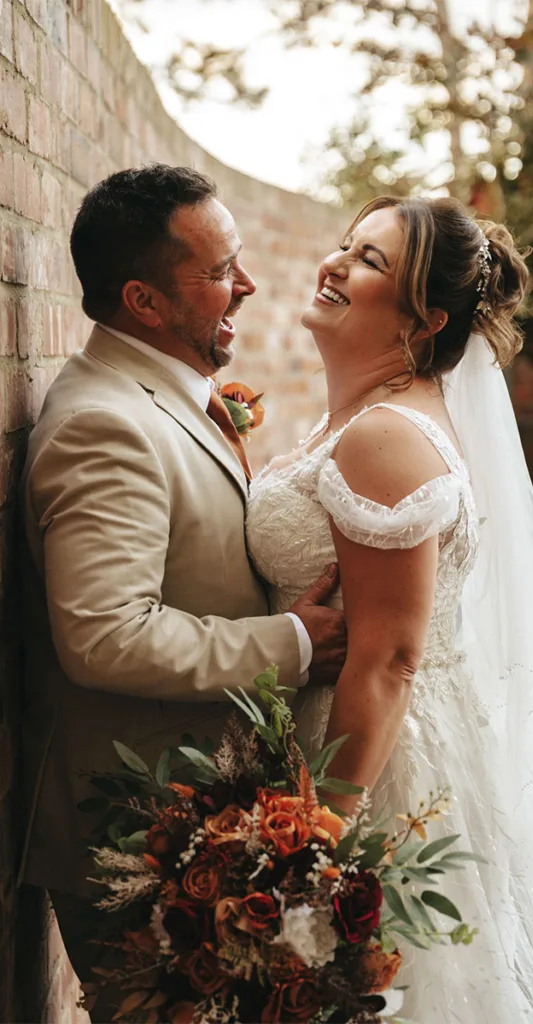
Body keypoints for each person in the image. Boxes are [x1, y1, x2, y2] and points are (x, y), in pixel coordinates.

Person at [18, 164, 346, 1020]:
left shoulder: (164, 395)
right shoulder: (105, 424)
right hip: (138, 834)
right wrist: (294, 644)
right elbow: (105, 636)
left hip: (200, 818)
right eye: (220, 271)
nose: (248, 284)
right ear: (145, 302)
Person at [247, 195, 533, 1021]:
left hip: (372, 776)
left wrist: (315, 852)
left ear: (424, 318)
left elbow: (389, 658)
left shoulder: (383, 437)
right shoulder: (360, 422)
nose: (336, 263)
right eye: (346, 246)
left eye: (369, 261)